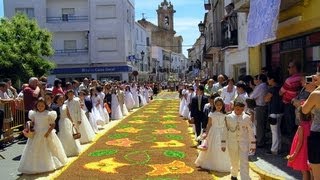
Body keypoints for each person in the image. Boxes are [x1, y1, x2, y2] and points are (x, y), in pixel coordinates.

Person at [18, 98, 67, 174]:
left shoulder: (49, 113)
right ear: (36, 106)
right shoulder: (34, 113)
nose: (40, 107)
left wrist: (48, 132)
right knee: (35, 149)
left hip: (46, 133)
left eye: (42, 105)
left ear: (45, 106)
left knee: (49, 148)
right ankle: (34, 166)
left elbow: (53, 124)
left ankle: (49, 164)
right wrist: (30, 124)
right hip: (36, 133)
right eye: (39, 105)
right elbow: (33, 123)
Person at [221, 100, 256, 180]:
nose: (239, 111)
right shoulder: (228, 117)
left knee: (244, 161)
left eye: (241, 109)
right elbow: (225, 131)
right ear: (234, 108)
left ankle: (245, 178)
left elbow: (251, 132)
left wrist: (252, 144)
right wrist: (223, 144)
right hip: (232, 143)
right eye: (237, 109)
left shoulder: (247, 117)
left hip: (243, 143)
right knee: (234, 160)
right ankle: (234, 174)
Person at [195, 97, 230, 172]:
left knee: (222, 147)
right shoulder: (211, 114)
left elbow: (227, 125)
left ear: (222, 105)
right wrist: (206, 133)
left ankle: (222, 164)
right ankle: (211, 162)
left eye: (220, 105)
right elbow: (209, 124)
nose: (219, 106)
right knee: (213, 146)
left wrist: (228, 132)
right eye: (217, 105)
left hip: (223, 132)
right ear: (214, 105)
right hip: (213, 132)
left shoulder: (225, 114)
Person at [301, 72, 320, 180]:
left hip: (317, 135)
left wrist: (313, 89)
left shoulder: (316, 94)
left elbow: (304, 110)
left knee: (317, 175)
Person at [280, 61, 302, 138]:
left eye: (289, 67)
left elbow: (280, 92)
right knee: (298, 126)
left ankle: (292, 146)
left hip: (289, 105)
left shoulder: (289, 80)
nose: (288, 69)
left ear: (294, 68)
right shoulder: (302, 78)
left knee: (290, 126)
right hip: (300, 105)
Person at [287, 111, 311, 180]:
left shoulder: (301, 127)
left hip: (302, 152)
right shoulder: (310, 124)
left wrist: (294, 155)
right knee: (309, 170)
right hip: (309, 149)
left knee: (304, 171)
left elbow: (300, 142)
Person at [264, 73, 284, 155]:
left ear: (272, 79)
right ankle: (278, 147)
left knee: (274, 132)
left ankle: (274, 150)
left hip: (273, 112)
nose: (267, 81)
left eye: (268, 79)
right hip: (281, 111)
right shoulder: (281, 87)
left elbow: (266, 99)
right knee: (278, 131)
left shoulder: (272, 89)